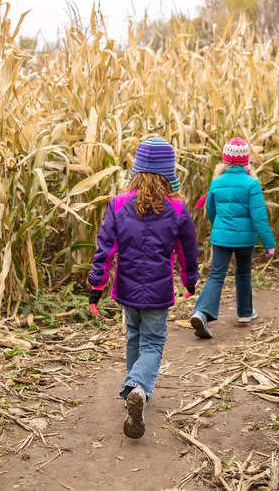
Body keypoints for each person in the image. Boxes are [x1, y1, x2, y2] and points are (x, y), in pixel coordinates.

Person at [88, 137, 199, 439]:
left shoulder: (118, 204)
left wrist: (96, 287)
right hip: (158, 291)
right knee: (152, 343)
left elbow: (106, 249)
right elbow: (187, 252)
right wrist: (190, 281)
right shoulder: (176, 209)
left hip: (127, 288)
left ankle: (132, 391)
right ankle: (137, 387)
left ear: (136, 170)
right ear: (168, 174)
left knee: (134, 337)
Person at [190, 137, 275, 339]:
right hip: (245, 238)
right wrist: (269, 244)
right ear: (246, 160)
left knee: (216, 275)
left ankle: (202, 312)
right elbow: (259, 217)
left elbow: (210, 210)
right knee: (243, 273)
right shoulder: (251, 184)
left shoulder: (217, 182)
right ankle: (245, 313)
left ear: (225, 160)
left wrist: (220, 227)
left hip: (221, 237)